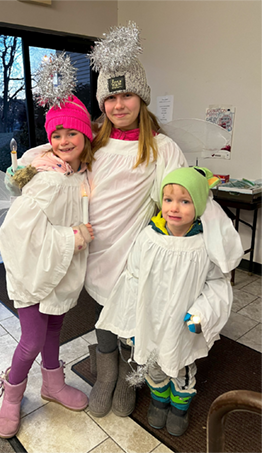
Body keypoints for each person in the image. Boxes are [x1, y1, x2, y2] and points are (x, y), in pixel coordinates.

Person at [8, 23, 243, 421]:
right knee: (103, 316)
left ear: (142, 98)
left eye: (127, 95)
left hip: (133, 252)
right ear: (102, 102)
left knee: (132, 314)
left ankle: (130, 375)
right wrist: (30, 166)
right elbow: (48, 152)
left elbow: (185, 194)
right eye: (111, 96)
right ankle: (106, 374)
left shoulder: (162, 148)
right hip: (92, 248)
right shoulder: (92, 140)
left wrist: (219, 243)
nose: (119, 105)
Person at [96, 166, 234, 436]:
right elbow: (133, 280)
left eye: (185, 201)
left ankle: (179, 408)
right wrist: (131, 325)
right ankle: (159, 402)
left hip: (182, 324)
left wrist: (202, 314)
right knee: (154, 367)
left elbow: (217, 284)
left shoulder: (204, 246)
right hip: (149, 320)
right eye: (169, 199)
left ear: (200, 205)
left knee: (180, 367)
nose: (174, 208)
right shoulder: (148, 238)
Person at [0, 94, 95, 439]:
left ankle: (53, 383)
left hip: (61, 267)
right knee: (32, 339)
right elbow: (17, 230)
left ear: (86, 136)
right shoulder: (45, 175)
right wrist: (72, 238)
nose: (64, 141)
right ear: (48, 139)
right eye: (57, 135)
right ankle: (11, 394)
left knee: (55, 327)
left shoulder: (81, 173)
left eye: (72, 133)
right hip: (32, 268)